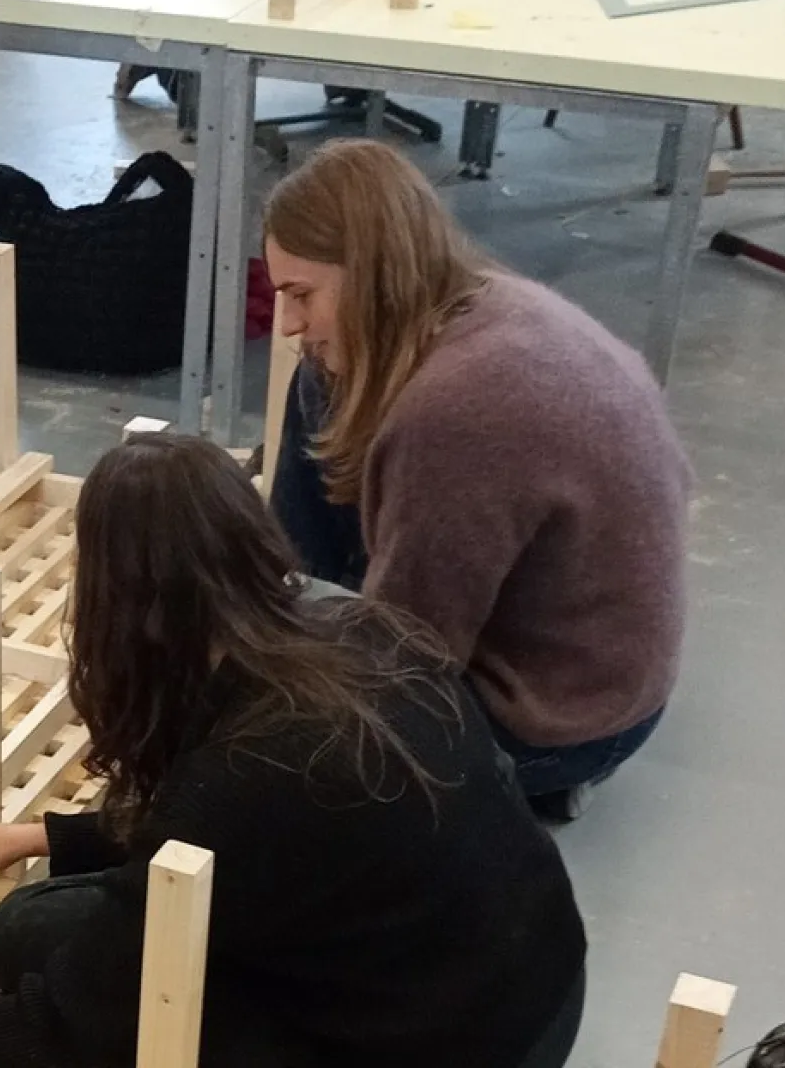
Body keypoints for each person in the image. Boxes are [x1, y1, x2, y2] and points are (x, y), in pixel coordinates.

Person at [0, 433, 588, 1068]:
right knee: (32, 925)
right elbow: (256, 839)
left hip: (454, 1048)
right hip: (530, 982)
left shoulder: (247, 777)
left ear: (121, 598)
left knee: (51, 956)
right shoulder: (349, 626)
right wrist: (43, 840)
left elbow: (70, 1023)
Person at [253, 138, 693, 821]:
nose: (286, 322)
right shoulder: (482, 301)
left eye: (301, 294)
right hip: (607, 665)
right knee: (322, 373)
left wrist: (291, 714)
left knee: (295, 762)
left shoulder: (457, 413)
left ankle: (524, 778)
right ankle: (277, 614)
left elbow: (409, 659)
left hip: (564, 719)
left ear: (368, 272)